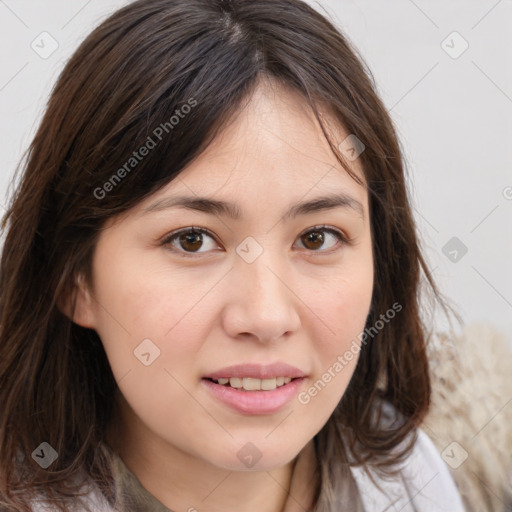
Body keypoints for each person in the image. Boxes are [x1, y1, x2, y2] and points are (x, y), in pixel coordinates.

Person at [0, 0, 466, 510]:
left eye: (317, 238)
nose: (266, 317)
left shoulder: (408, 478)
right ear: (73, 277)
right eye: (192, 239)